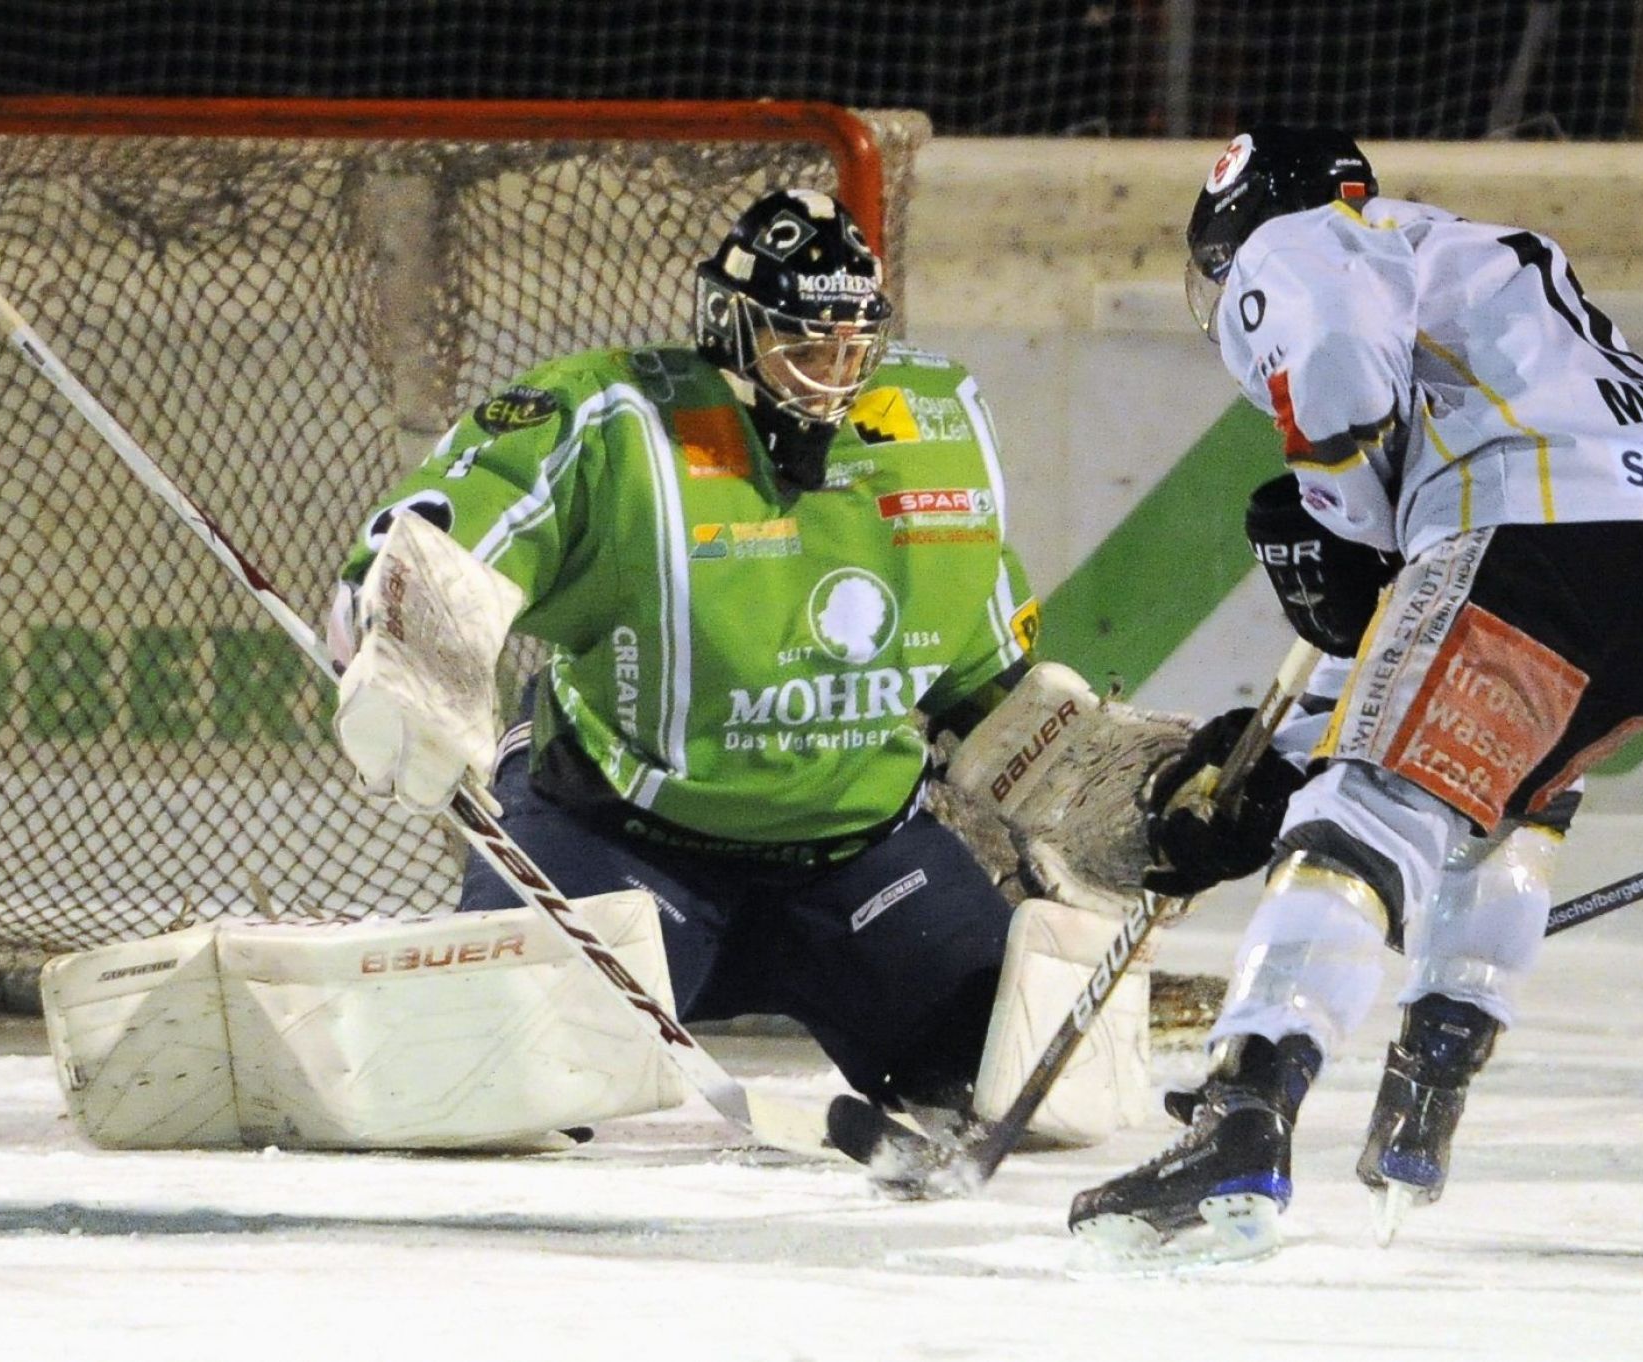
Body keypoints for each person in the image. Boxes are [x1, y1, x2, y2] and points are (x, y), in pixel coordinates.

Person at [323, 188, 1163, 1144]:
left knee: (1046, 1097)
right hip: (621, 840)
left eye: (852, 345)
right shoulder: (611, 420)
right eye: (802, 344)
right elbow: (419, 557)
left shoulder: (934, 428)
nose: (831, 374)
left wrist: (1120, 791)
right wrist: (406, 663)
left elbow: (985, 682)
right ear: (731, 329)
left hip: (861, 857)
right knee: (486, 1087)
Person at [1069, 126, 1643, 1261]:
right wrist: (1270, 750)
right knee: (1493, 797)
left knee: (1372, 804)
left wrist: (1341, 511)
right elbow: (1409, 658)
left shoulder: (1308, 238)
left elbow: (1336, 367)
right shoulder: (1488, 277)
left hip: (1547, 524)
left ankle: (1243, 1116)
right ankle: (1421, 1101)